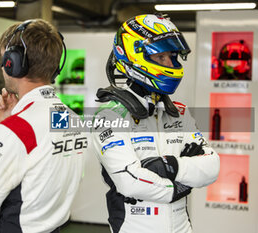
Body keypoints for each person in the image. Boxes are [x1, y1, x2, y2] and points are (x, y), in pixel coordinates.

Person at [92, 14, 220, 233]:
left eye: (172, 56)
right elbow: (130, 182)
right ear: (135, 55)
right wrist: (181, 184)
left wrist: (171, 166)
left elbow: (212, 166)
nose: (171, 64)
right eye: (162, 57)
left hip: (183, 227)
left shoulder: (179, 112)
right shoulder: (110, 116)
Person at [0, 19, 85, 233]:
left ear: (14, 63)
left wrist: (5, 129)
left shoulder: (13, 132)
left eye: (4, 60)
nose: (2, 67)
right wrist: (7, 123)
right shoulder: (73, 119)